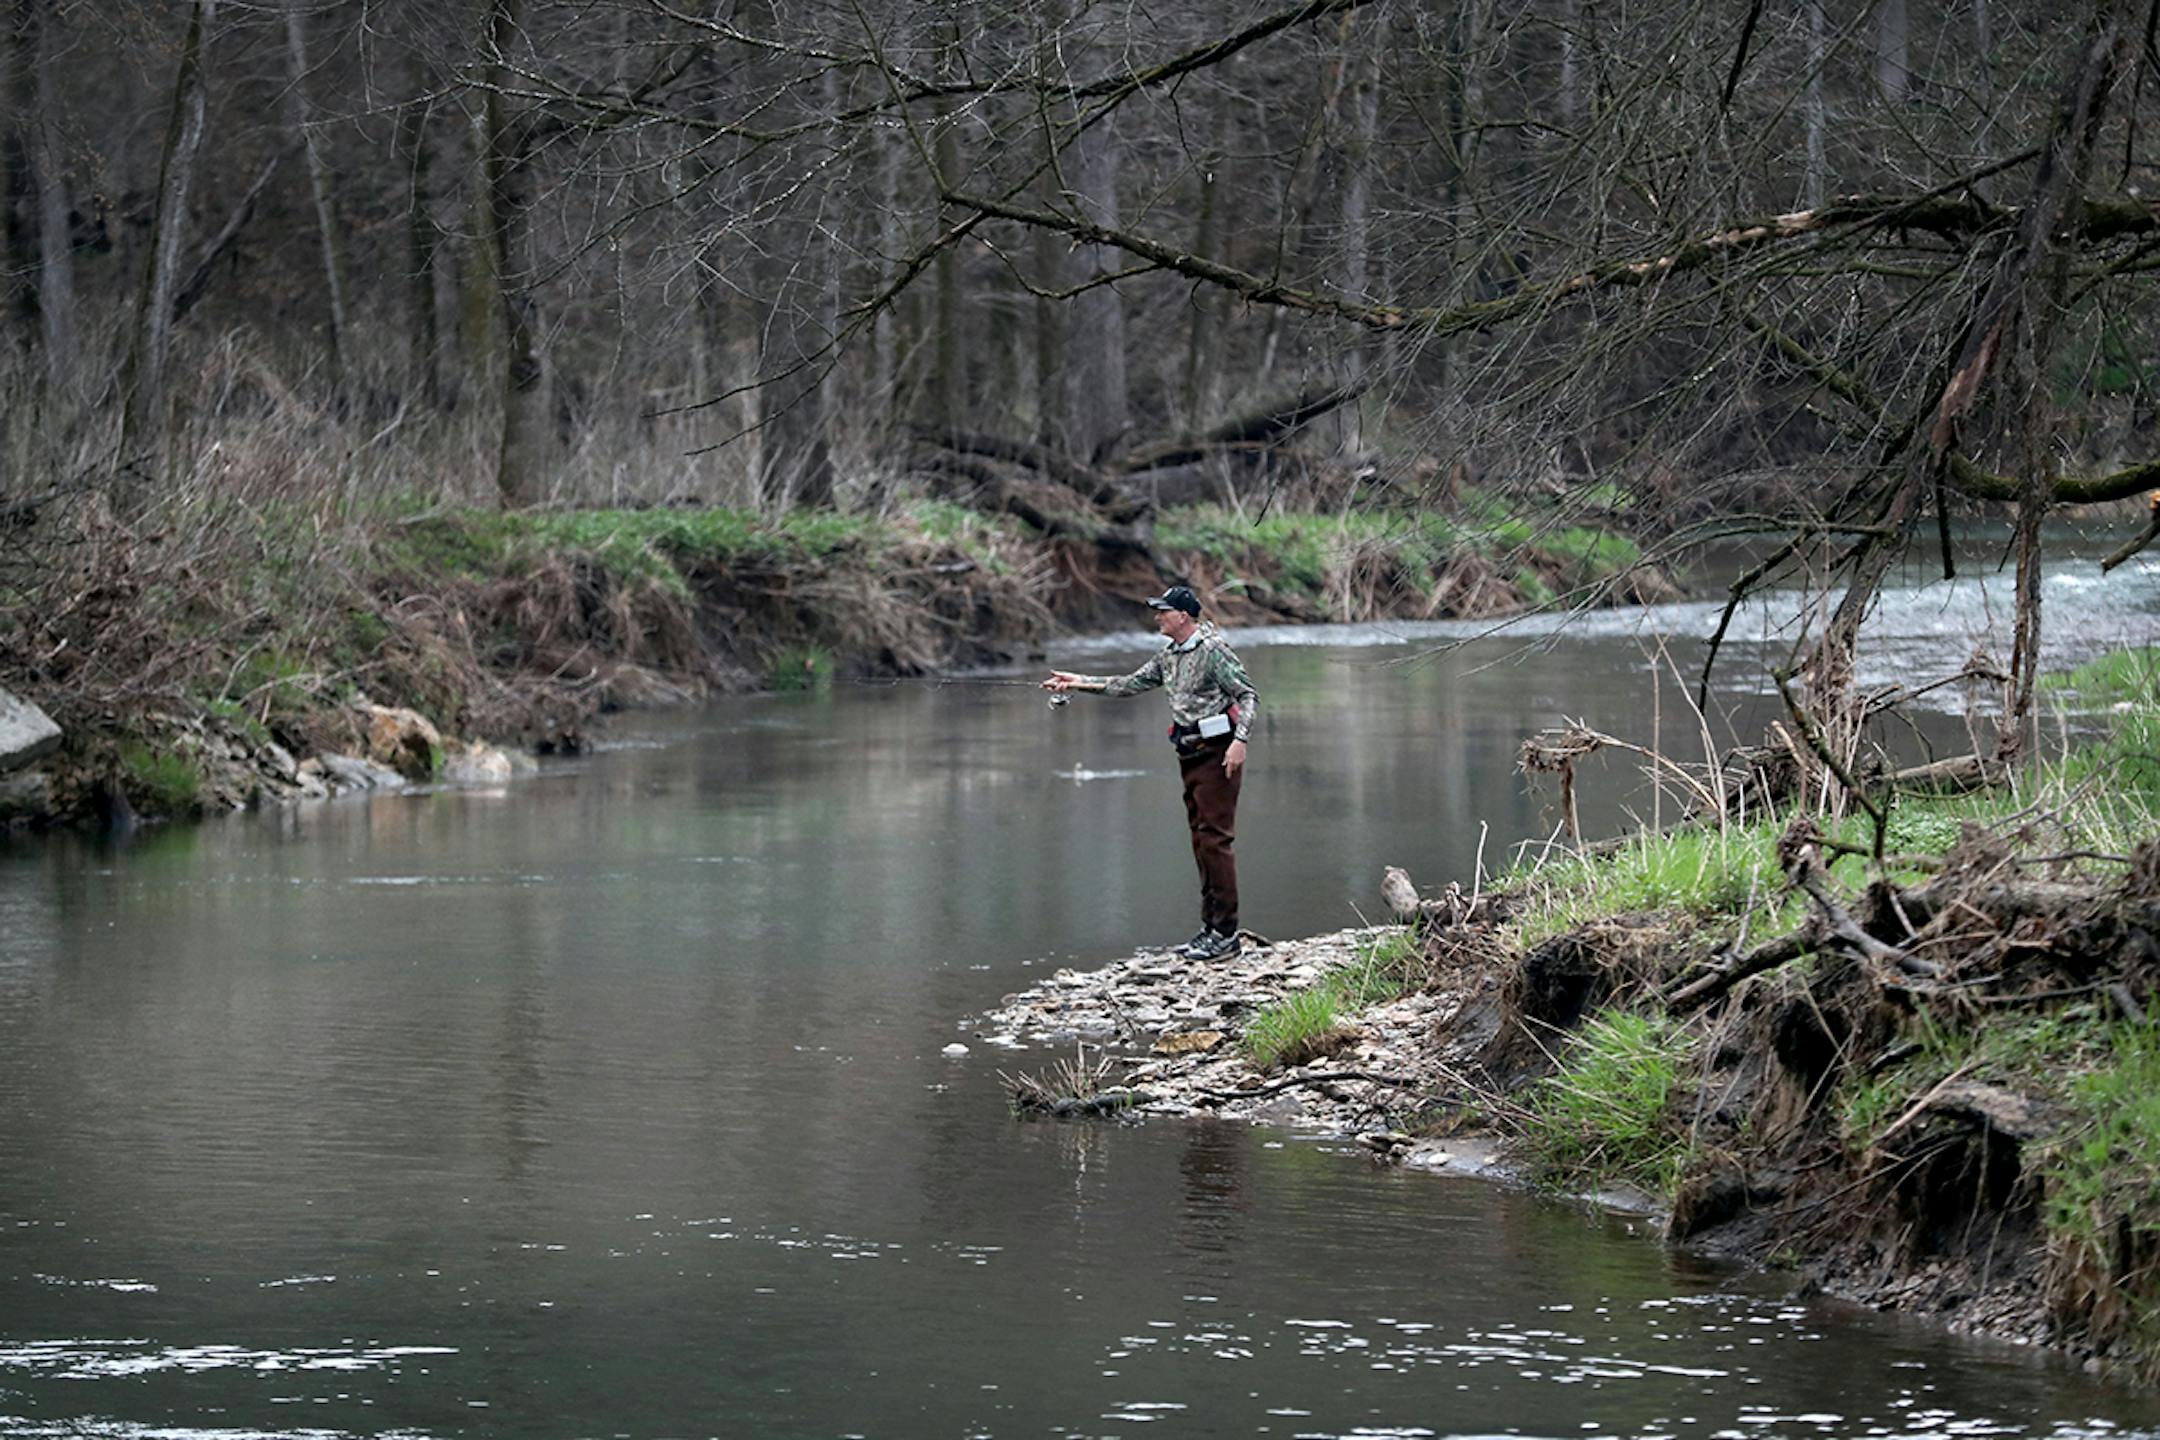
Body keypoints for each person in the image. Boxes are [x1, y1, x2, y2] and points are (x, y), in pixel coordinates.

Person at [1041, 585, 1258, 961]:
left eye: (1163, 611)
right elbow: (1127, 685)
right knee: (1200, 840)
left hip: (1219, 756)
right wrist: (1075, 682)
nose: (1157, 617)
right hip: (1189, 755)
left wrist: (1241, 741)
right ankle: (1210, 929)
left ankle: (1225, 934)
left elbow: (1248, 695)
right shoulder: (1170, 655)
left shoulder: (1213, 650)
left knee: (1216, 841)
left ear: (1184, 617)